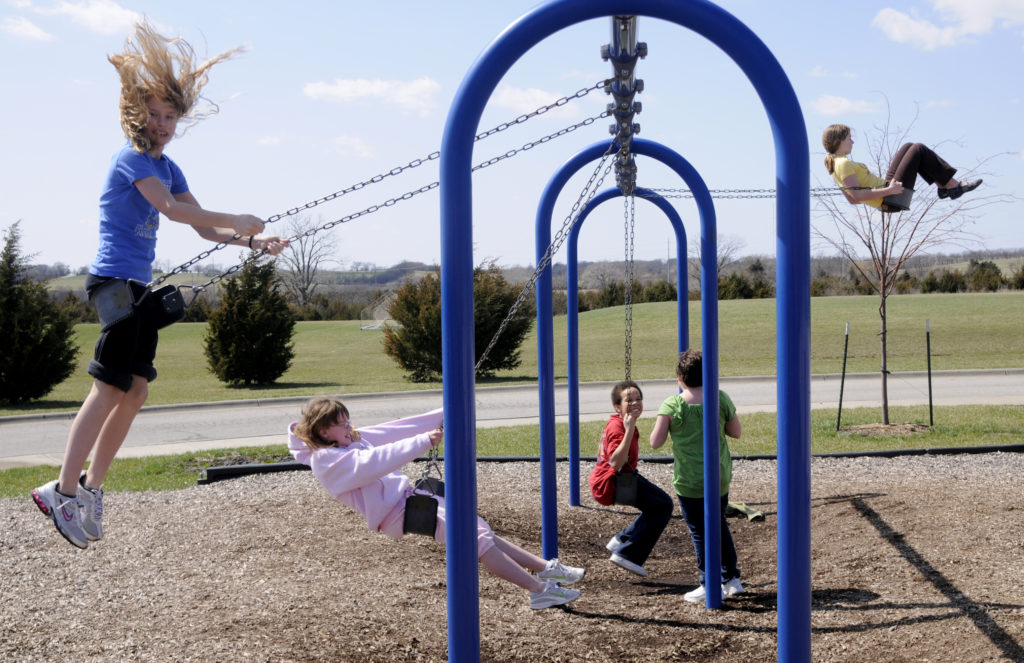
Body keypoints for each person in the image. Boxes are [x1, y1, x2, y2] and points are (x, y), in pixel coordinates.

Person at [31, 20, 290, 549]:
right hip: (114, 283)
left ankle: (91, 488)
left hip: (138, 288)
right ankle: (61, 491)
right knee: (109, 387)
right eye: (154, 114)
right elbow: (170, 211)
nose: (164, 124)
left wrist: (252, 242)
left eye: (171, 116)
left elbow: (203, 227)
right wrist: (238, 216)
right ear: (136, 114)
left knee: (136, 389)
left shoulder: (168, 166)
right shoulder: (130, 159)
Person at [287, 397, 584, 610]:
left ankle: (546, 569)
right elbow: (374, 461)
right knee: (476, 539)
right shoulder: (327, 462)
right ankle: (540, 591)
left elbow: (392, 430)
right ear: (323, 431)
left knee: (480, 528)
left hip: (409, 499)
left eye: (348, 421)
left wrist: (445, 412)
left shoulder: (347, 441)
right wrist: (423, 442)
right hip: (398, 513)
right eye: (342, 424)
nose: (349, 427)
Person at [650, 350, 744, 603]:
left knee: (699, 531)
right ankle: (732, 579)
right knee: (719, 523)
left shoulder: (672, 405)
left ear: (679, 378)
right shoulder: (720, 398)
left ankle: (708, 582)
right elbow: (736, 432)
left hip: (689, 480)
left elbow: (655, 442)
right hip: (718, 476)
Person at [588, 380, 673, 578]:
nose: (635, 403)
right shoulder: (618, 427)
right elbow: (616, 462)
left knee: (657, 504)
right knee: (663, 505)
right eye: (629, 400)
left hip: (621, 478)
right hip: (611, 483)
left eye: (638, 398)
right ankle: (628, 555)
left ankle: (621, 540)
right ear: (617, 407)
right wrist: (628, 430)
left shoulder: (623, 422)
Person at [822, 123, 981, 212]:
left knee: (909, 146)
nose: (852, 142)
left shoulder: (836, 165)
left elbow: (852, 199)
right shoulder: (843, 164)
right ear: (839, 141)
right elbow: (857, 197)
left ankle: (944, 187)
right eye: (849, 138)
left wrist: (883, 192)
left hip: (889, 194)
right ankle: (952, 186)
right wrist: (888, 192)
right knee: (918, 149)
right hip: (892, 198)